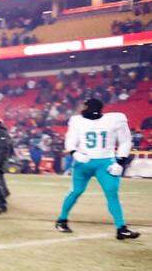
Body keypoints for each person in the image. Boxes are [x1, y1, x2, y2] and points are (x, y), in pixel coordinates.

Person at [55, 98, 140, 240]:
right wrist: (74, 153)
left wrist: (120, 162)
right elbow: (70, 141)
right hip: (84, 162)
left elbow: (125, 141)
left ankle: (121, 228)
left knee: (112, 194)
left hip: (105, 163)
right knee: (76, 191)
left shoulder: (113, 119)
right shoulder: (77, 121)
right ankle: (61, 220)